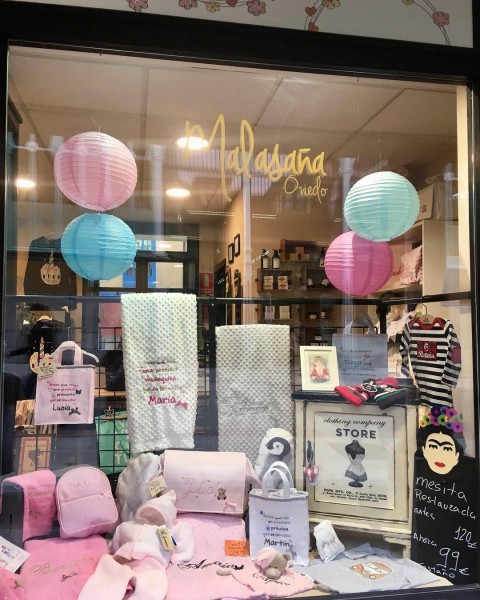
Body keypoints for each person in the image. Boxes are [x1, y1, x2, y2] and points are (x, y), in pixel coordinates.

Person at [417, 407, 465, 475]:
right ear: (424, 450)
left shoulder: (467, 474)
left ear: (457, 455)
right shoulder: (418, 469)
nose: (440, 455)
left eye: (447, 449)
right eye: (433, 447)